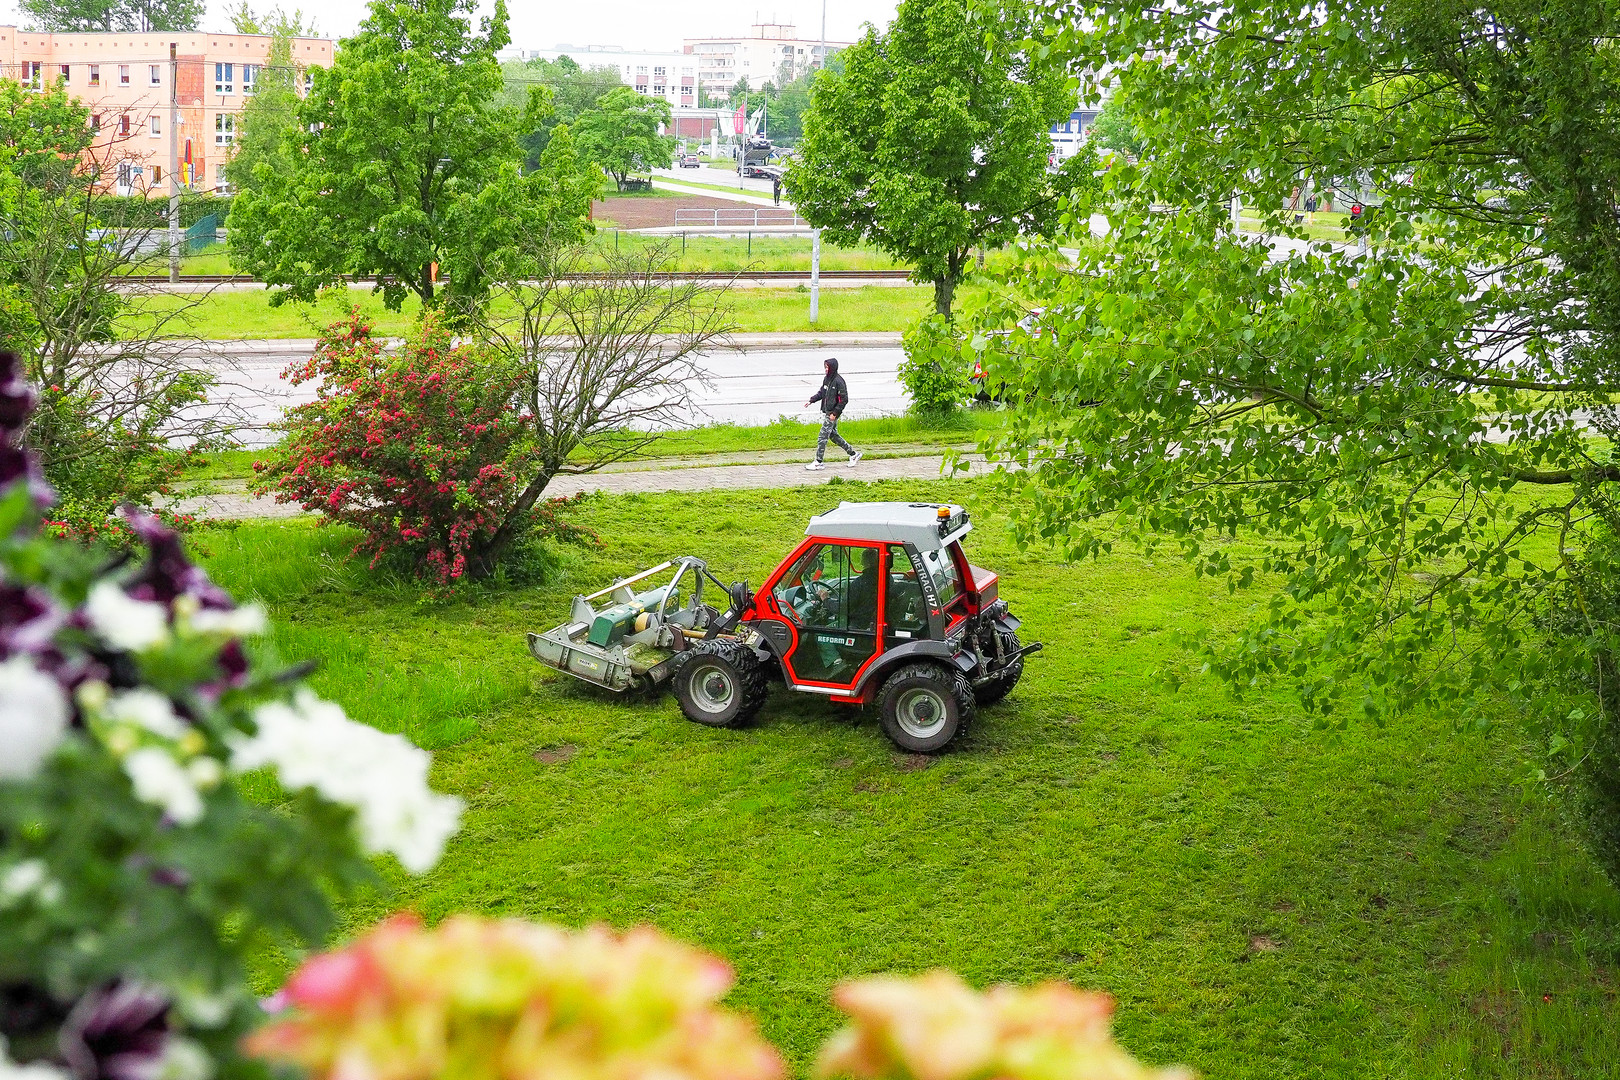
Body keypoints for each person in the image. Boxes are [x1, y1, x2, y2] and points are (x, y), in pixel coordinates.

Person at [804, 357, 862, 470]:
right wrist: (811, 400)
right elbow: (822, 392)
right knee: (833, 436)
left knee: (822, 436)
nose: (826, 369)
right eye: (825, 367)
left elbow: (844, 399)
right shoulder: (827, 379)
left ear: (833, 367)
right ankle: (854, 454)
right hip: (827, 412)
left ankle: (818, 462)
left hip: (832, 414)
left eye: (827, 367)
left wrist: (835, 413)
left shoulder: (839, 381)